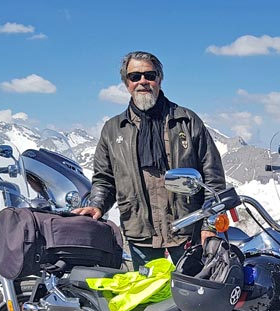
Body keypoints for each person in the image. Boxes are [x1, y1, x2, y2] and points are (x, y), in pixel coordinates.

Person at [74, 51, 226, 269]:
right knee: (148, 291)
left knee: (195, 288)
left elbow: (213, 178)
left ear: (159, 79)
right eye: (135, 76)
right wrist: (96, 204)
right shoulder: (113, 129)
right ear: (126, 83)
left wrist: (209, 224)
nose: (142, 81)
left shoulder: (186, 121)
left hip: (188, 231)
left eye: (149, 75)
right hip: (141, 234)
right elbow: (105, 179)